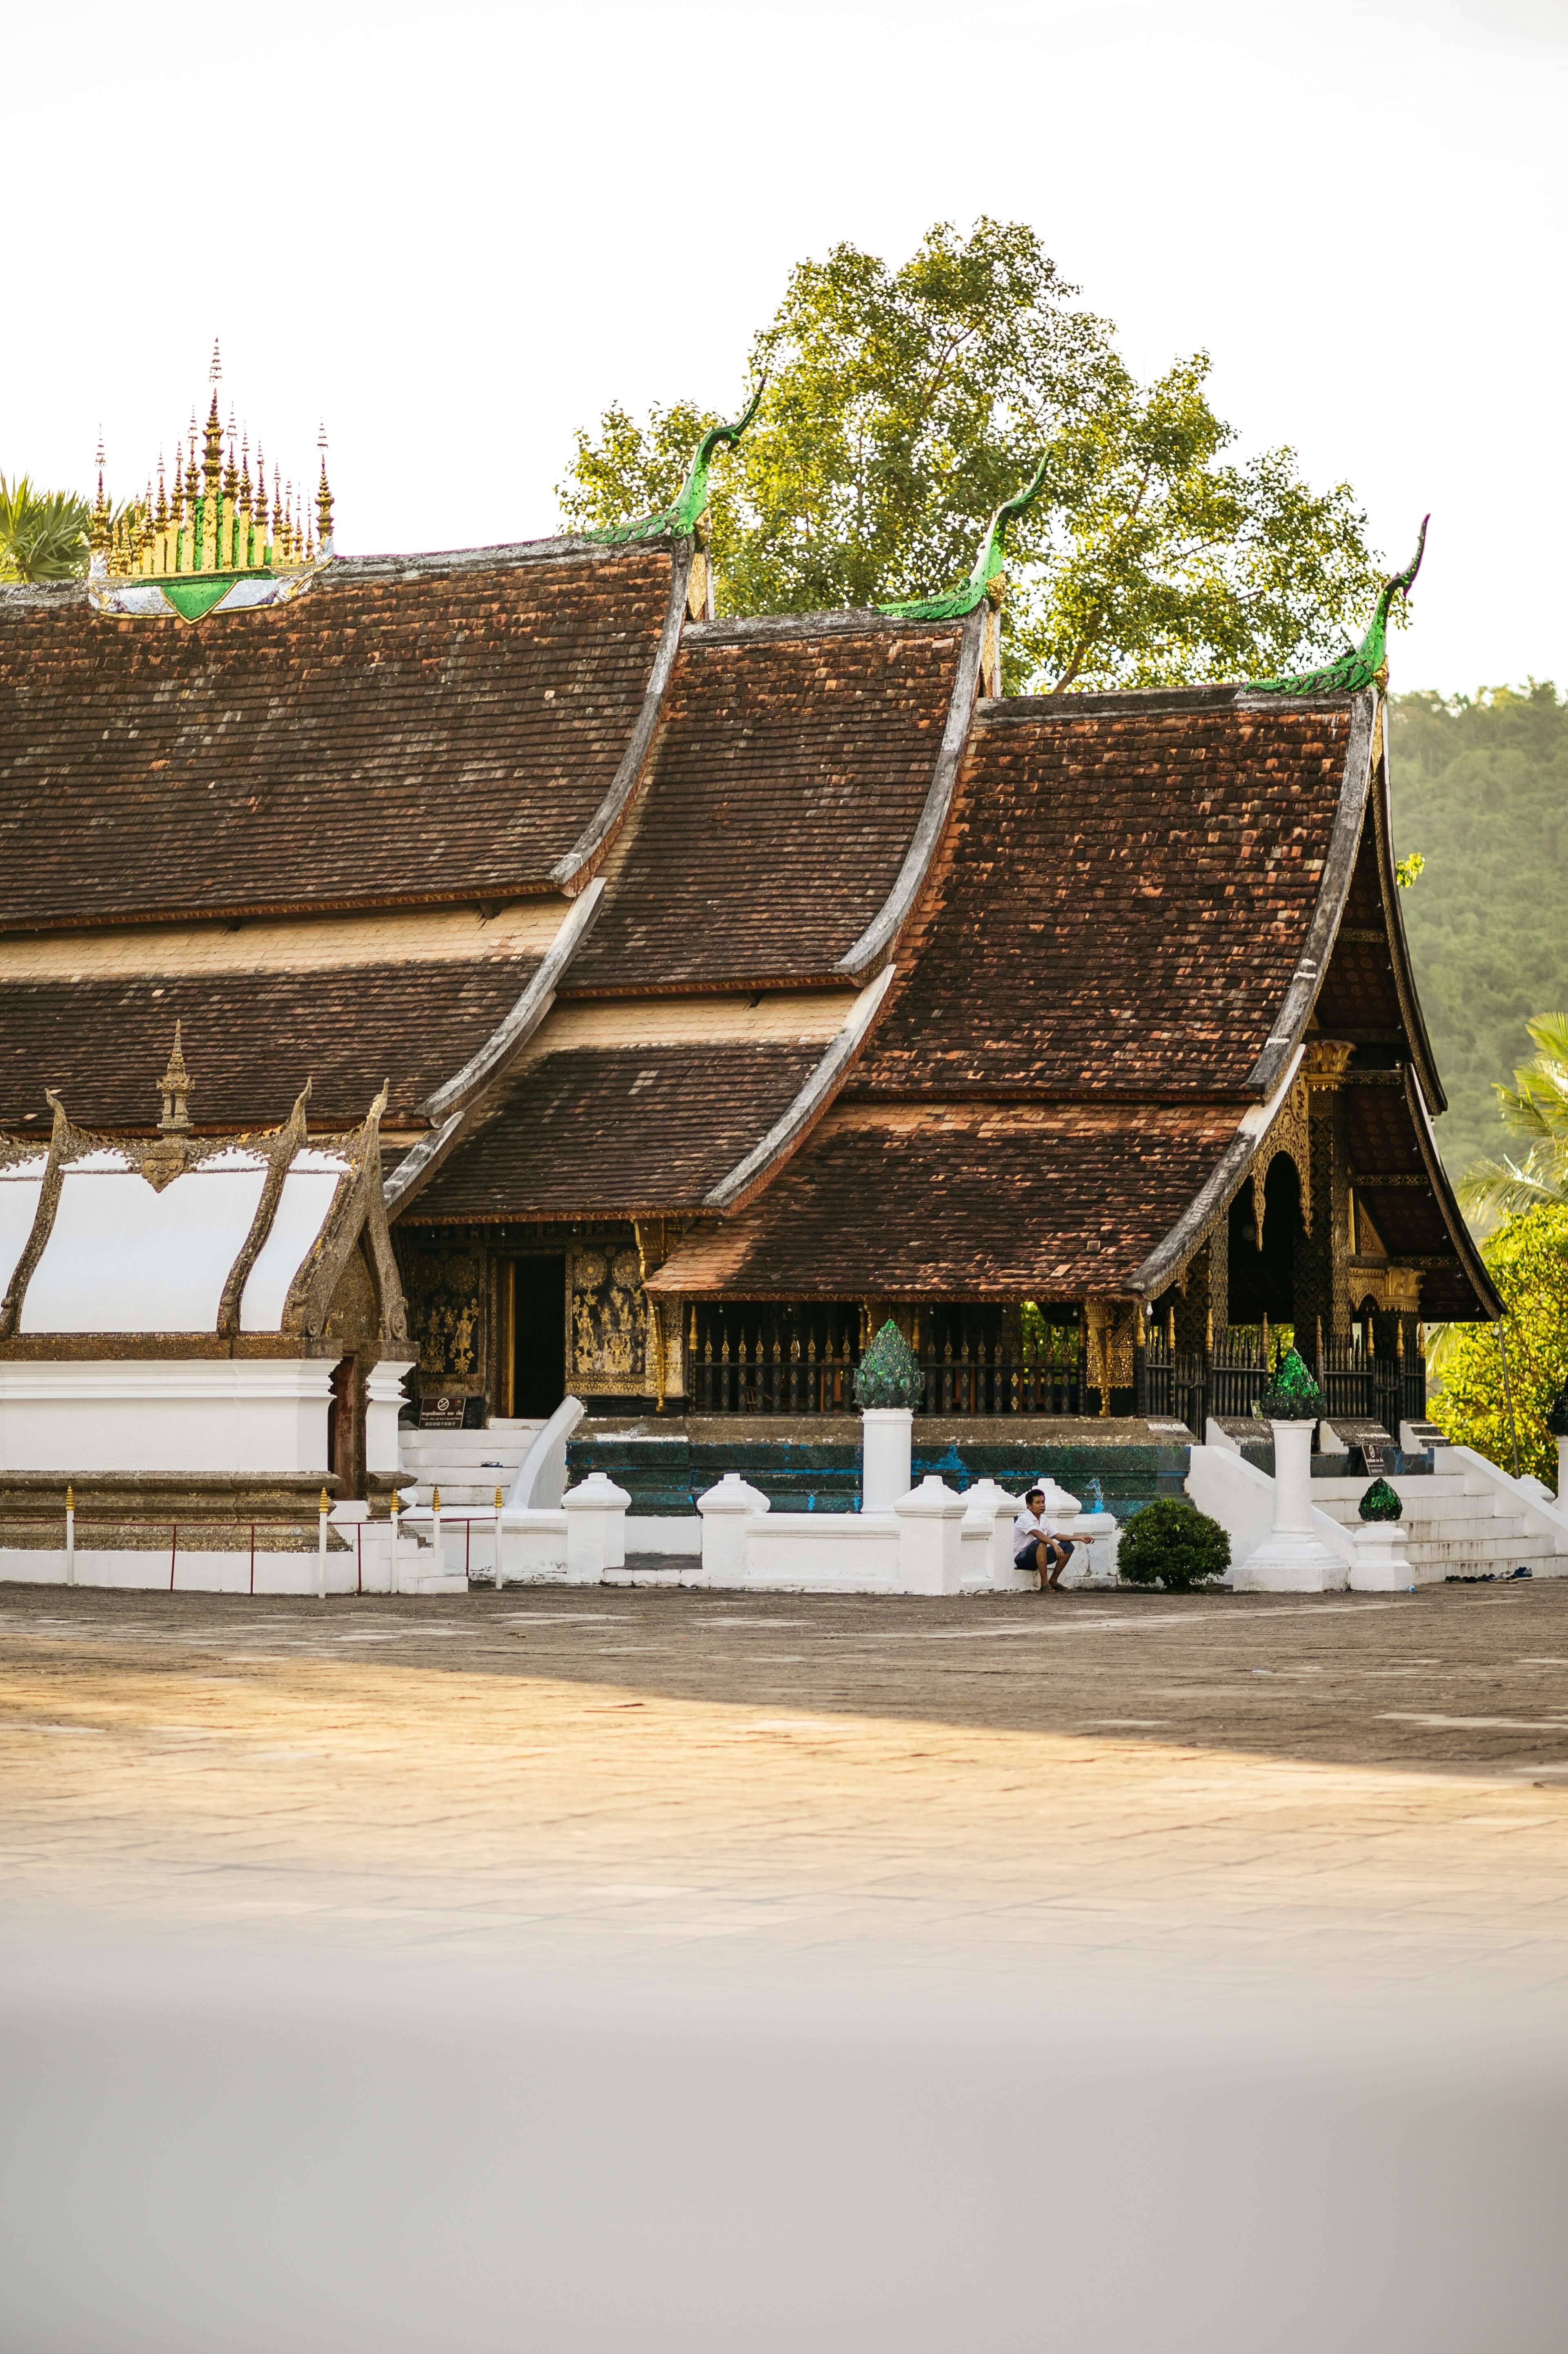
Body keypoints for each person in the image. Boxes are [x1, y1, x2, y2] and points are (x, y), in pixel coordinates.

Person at [1013, 1486, 1076, 1591]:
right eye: (1038, 1503)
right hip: (1021, 1559)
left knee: (1068, 1546)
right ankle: (1045, 1584)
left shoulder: (1044, 1519)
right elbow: (1037, 1533)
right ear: (1029, 1506)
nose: (1042, 1505)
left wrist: (1080, 1538)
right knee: (1041, 1542)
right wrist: (1054, 1545)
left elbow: (1058, 1536)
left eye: (1043, 1502)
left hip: (1038, 1557)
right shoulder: (1024, 1519)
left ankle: (1054, 1581)